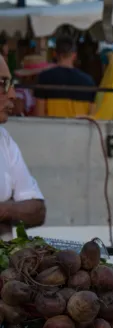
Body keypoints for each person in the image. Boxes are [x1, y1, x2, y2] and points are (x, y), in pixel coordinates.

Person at [0, 55, 46, 237]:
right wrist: (12, 208)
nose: (12, 94)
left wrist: (3, 211)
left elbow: (37, 210)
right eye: (2, 84)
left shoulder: (4, 139)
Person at [34, 36, 96, 118]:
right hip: (79, 129)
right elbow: (92, 115)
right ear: (74, 55)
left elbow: (39, 114)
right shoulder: (88, 81)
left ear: (54, 54)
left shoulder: (44, 77)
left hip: (52, 128)